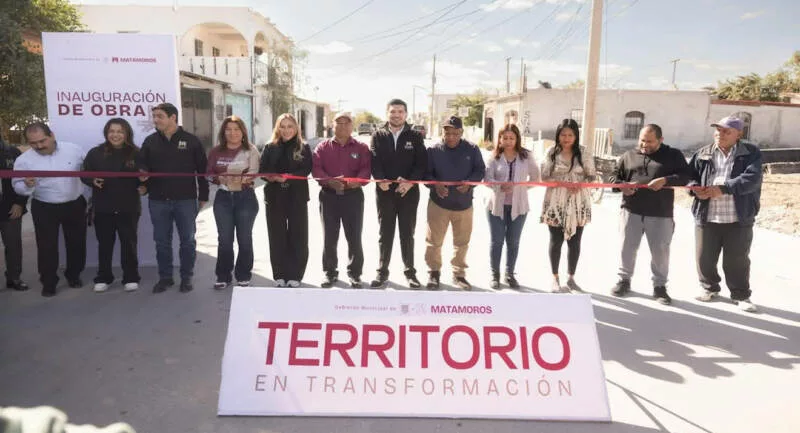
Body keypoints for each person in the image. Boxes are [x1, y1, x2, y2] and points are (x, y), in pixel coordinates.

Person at [688, 115, 762, 312]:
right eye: (718, 130)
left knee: (737, 259)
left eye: (726, 131)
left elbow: (752, 179)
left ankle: (741, 295)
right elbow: (689, 177)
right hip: (707, 214)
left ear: (738, 134)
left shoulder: (750, 153)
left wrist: (724, 188)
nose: (720, 134)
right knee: (704, 257)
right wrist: (694, 188)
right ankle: (709, 287)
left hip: (738, 216)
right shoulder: (703, 153)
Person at [610, 124, 691, 305]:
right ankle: (624, 280)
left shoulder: (673, 156)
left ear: (661, 140)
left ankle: (660, 286)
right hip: (631, 211)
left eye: (649, 141)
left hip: (660, 213)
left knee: (660, 251)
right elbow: (613, 178)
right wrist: (622, 186)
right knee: (627, 248)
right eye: (642, 140)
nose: (645, 145)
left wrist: (666, 180)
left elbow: (687, 176)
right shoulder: (628, 156)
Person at [138, 102, 209, 294]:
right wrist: (142, 178)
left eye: (160, 116)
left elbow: (202, 171)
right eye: (154, 116)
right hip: (158, 200)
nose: (156, 120)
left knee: (187, 240)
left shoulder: (191, 140)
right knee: (162, 241)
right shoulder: (150, 142)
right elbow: (142, 166)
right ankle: (165, 278)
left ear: (173, 117)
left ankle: (186, 278)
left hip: (185, 200)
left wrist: (203, 195)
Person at [12, 122, 87, 297]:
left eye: (42, 141)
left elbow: (88, 171)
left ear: (52, 135)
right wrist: (26, 185)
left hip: (74, 203)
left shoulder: (74, 150)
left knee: (77, 243)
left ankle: (74, 275)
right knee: (47, 247)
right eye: (33, 143)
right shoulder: (24, 161)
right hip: (44, 206)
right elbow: (17, 186)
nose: (39, 146)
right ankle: (49, 282)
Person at [369, 98, 427, 289]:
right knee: (385, 233)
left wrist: (410, 183)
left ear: (406, 114)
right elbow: (374, 160)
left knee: (407, 233)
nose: (396, 115)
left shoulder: (415, 136)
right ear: (387, 113)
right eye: (393, 111)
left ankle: (410, 273)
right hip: (384, 192)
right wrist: (380, 180)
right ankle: (382, 272)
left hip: (408, 193)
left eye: (400, 111)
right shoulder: (378, 135)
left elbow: (421, 164)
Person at [81, 118, 145, 293]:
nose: (115, 135)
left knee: (129, 243)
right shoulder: (95, 153)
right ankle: (104, 277)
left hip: (129, 207)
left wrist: (144, 185)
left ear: (126, 134)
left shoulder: (136, 153)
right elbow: (84, 174)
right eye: (112, 131)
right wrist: (92, 180)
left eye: (120, 131)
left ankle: (131, 277)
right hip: (103, 207)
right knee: (105, 244)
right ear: (106, 133)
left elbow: (145, 177)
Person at [424, 116, 486, 290]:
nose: (450, 137)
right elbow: (425, 174)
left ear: (461, 133)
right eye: (447, 132)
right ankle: (433, 273)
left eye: (455, 133)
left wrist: (469, 183)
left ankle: (458, 274)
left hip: (464, 205)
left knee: (461, 243)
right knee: (434, 241)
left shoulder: (472, 149)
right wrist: (435, 185)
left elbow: (480, 170)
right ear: (442, 132)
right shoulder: (433, 151)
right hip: (438, 204)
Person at [312, 111, 371, 288]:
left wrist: (354, 183)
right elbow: (316, 170)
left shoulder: (361, 148)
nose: (343, 126)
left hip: (353, 197)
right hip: (329, 197)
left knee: (354, 237)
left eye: (347, 123)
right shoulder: (322, 148)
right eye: (339, 123)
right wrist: (329, 182)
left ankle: (355, 273)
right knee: (330, 236)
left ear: (352, 126)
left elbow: (365, 171)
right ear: (332, 125)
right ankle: (330, 272)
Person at [540, 118, 596, 294]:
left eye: (570, 135)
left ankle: (571, 278)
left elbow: (592, 176)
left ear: (575, 136)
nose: (566, 138)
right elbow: (544, 177)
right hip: (556, 201)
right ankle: (555, 278)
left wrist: (580, 184)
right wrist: (562, 183)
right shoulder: (551, 152)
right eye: (563, 134)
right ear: (558, 135)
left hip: (579, 201)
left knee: (575, 241)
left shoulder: (584, 152)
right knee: (555, 241)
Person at [484, 123, 540, 290]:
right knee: (497, 241)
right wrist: (500, 185)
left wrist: (518, 188)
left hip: (519, 207)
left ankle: (510, 274)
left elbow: (536, 178)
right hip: (496, 206)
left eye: (511, 138)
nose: (508, 141)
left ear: (517, 139)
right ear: (499, 139)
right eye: (505, 138)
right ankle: (495, 275)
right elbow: (487, 179)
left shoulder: (526, 156)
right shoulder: (493, 157)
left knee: (513, 242)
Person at [206, 116, 260, 290]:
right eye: (228, 129)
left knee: (244, 239)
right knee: (224, 240)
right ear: (223, 132)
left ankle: (243, 275)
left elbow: (254, 173)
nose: (232, 133)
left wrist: (242, 179)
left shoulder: (251, 151)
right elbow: (208, 173)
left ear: (242, 131)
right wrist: (218, 178)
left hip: (245, 198)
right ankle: (223, 276)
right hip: (223, 198)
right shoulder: (215, 151)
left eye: (236, 129)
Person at [260, 113, 312, 288]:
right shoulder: (269, 147)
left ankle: (295, 274)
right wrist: (273, 177)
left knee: (298, 235)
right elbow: (263, 170)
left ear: (296, 128)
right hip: (274, 197)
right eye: (283, 126)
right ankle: (280, 274)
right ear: (277, 128)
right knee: (277, 236)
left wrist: (288, 177)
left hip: (297, 197)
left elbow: (306, 170)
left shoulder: (303, 147)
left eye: (290, 126)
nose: (286, 130)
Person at [0, 136, 29, 292]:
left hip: (10, 207)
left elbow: (25, 179)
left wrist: (20, 202)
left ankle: (14, 277)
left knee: (13, 246)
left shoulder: (13, 153)